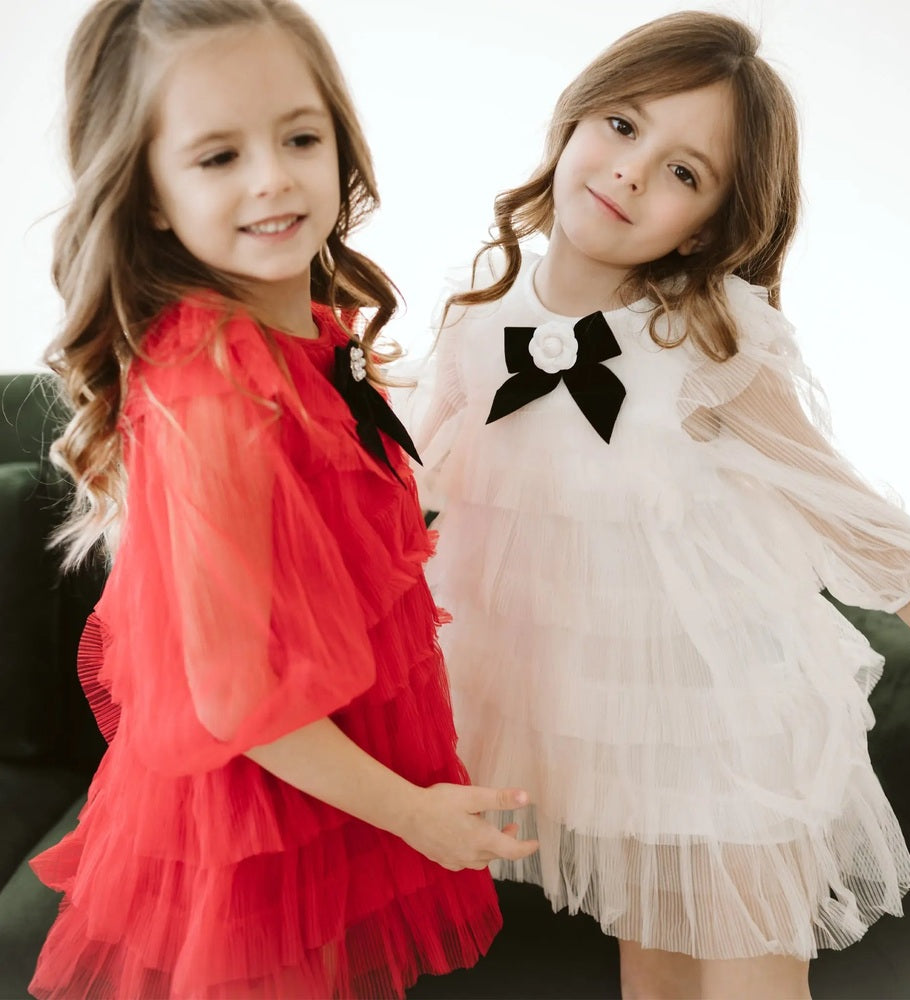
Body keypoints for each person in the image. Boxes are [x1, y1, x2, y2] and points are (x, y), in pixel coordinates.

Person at [408, 11, 910, 999]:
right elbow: (399, 496)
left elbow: (847, 512)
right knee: (654, 979)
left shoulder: (708, 337)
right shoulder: (478, 327)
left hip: (727, 730)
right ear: (574, 117)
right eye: (624, 125)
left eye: (686, 172)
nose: (634, 171)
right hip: (599, 727)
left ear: (714, 222)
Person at [28, 2, 538, 998]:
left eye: (300, 137)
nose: (273, 177)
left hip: (330, 794)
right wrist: (414, 814)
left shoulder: (305, 331)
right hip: (262, 826)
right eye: (217, 156)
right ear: (152, 198)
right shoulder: (215, 390)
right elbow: (235, 699)